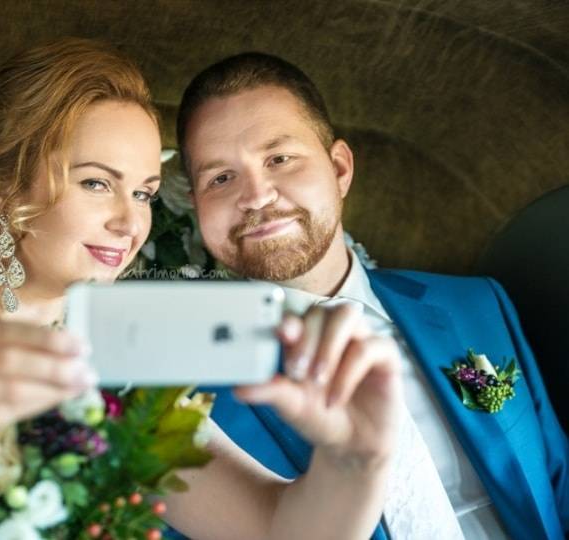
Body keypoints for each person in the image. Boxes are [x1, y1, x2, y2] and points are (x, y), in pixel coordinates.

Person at [0, 38, 402, 539]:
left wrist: (357, 459)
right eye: (97, 182)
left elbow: (279, 525)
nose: (131, 222)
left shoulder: (127, 375)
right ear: (8, 191)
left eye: (145, 192)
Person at [176, 51, 569, 540]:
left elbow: (558, 485)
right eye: (220, 178)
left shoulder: (476, 305)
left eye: (279, 158)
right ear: (196, 206)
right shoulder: (179, 395)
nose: (256, 195)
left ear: (339, 169)